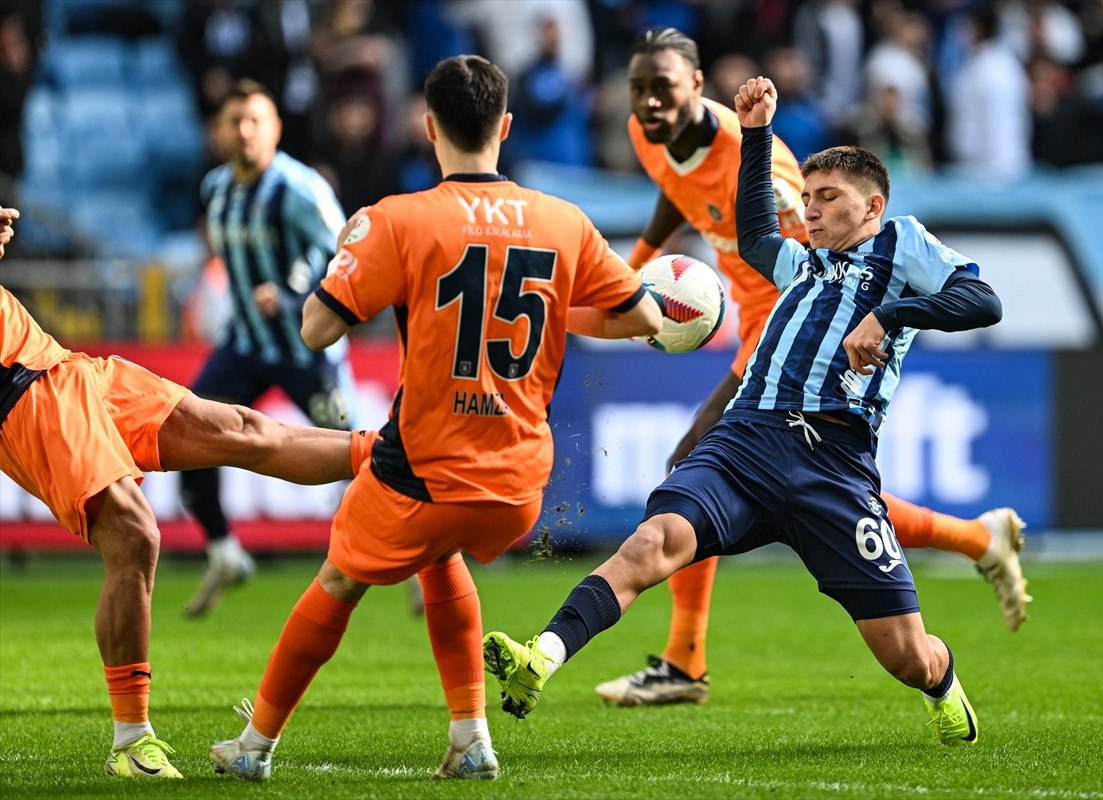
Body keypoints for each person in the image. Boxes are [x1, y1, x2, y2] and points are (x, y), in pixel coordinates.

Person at [483, 76, 1003, 748]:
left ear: (872, 205)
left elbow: (982, 300)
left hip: (833, 463)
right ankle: (541, 659)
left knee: (908, 655)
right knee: (651, 541)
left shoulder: (900, 244)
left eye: (828, 199)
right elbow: (755, 233)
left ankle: (942, 682)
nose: (810, 212)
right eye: (808, 198)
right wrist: (754, 133)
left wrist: (892, 313)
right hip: (746, 440)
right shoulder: (801, 265)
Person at [207, 54, 662, 782]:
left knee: (337, 582)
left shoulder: (397, 219)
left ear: (428, 129)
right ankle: (471, 738)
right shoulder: (564, 221)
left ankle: (253, 747)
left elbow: (316, 332)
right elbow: (641, 315)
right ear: (506, 127)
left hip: (423, 467)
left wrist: (352, 266)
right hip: (519, 487)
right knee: (439, 552)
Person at [595, 27, 1029, 709]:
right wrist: (638, 261)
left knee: (698, 468)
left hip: (784, 325)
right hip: (746, 316)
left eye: (664, 88)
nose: (650, 102)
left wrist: (865, 319)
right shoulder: (649, 135)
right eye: (640, 89)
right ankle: (977, 536)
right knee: (797, 486)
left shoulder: (763, 166)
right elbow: (673, 186)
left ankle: (684, 662)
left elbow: (808, 247)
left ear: (698, 88)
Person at [0, 207, 379, 779]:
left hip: (67, 366)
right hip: (24, 399)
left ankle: (391, 453)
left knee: (242, 430)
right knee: (134, 536)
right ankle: (131, 739)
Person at [182, 79, 358, 618]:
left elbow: (347, 247)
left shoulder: (299, 188)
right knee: (189, 432)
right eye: (234, 121)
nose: (244, 131)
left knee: (364, 457)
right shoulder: (216, 188)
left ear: (276, 128)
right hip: (245, 345)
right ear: (219, 132)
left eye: (255, 120)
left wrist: (292, 293)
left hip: (307, 350)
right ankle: (224, 551)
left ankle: (424, 563)